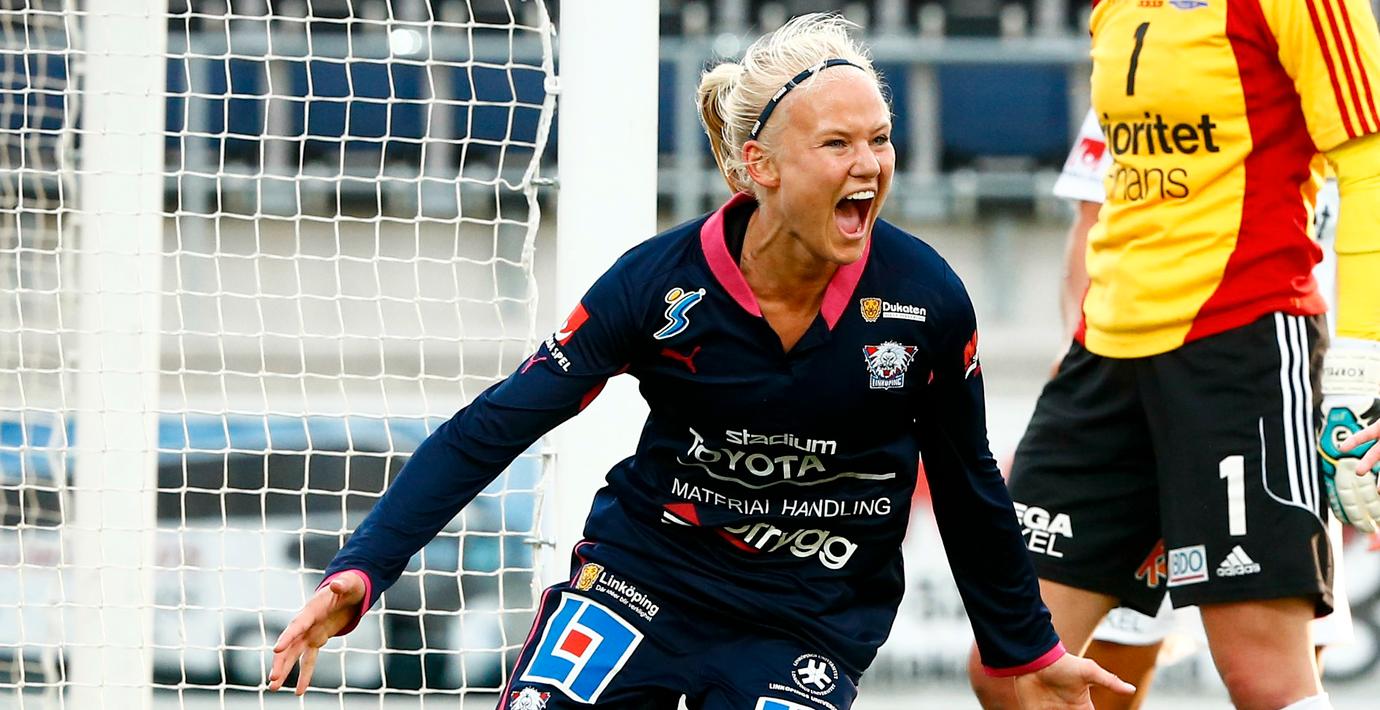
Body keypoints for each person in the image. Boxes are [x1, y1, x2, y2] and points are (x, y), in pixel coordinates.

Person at [266, 13, 1132, 710]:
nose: (869, 164)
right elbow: (491, 428)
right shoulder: (657, 286)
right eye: (838, 144)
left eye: (880, 138)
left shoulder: (926, 300)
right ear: (760, 166)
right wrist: (363, 568)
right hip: (645, 579)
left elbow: (969, 483)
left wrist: (1027, 650)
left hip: (809, 617)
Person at [967, 1, 1380, 709]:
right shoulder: (1115, 7)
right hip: (1107, 353)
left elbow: (1370, 159)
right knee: (1012, 667)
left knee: (1266, 679)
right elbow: (1104, 202)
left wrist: (1360, 363)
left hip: (1242, 347)